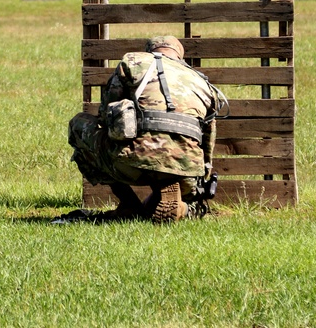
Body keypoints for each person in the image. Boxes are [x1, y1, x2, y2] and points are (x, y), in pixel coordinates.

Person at [66, 35, 226, 223]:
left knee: (79, 124)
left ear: (151, 50)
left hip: (133, 162)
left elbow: (106, 113)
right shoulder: (202, 81)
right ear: (179, 56)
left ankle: (129, 204)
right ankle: (178, 202)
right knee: (164, 176)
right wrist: (197, 184)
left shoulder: (134, 61)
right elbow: (208, 143)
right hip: (187, 170)